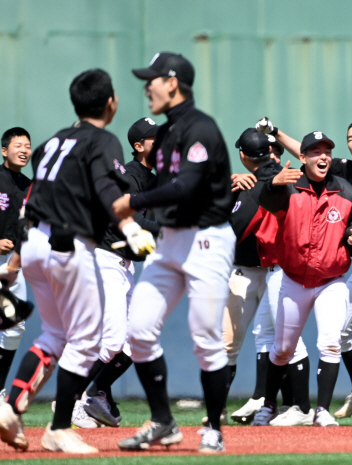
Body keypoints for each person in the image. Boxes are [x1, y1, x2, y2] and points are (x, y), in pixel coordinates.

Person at [0, 69, 152, 453]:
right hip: (68, 245)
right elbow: (106, 188)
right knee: (87, 339)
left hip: (34, 240)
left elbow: (32, 200)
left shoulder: (51, 143)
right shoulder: (103, 141)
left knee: (54, 335)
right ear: (111, 103)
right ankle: (58, 426)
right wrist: (130, 226)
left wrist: (16, 260)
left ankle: (10, 407)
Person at [114, 52, 235, 453]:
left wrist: (133, 201)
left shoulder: (201, 128)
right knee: (138, 330)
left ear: (173, 82)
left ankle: (214, 429)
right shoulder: (166, 133)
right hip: (170, 241)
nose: (146, 86)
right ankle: (163, 421)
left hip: (207, 240)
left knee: (206, 339)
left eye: (152, 79)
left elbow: (186, 186)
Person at [255, 118, 352, 419]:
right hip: (294, 279)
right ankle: (268, 404)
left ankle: (322, 410)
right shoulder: (288, 188)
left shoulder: (346, 190)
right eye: (315, 151)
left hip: (331, 280)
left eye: (327, 151)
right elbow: (265, 200)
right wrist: (271, 183)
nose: (323, 156)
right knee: (283, 349)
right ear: (303, 157)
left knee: (330, 343)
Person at [73, 117, 161, 429]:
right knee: (111, 340)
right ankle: (73, 399)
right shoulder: (127, 174)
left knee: (135, 339)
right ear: (139, 146)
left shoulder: (153, 176)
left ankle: (98, 392)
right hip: (106, 260)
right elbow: (127, 217)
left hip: (125, 265)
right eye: (154, 138)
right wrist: (167, 228)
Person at [219, 128, 311, 427]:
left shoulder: (281, 181)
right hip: (249, 269)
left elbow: (232, 225)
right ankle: (269, 403)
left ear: (243, 155)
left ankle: (300, 407)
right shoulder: (252, 182)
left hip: (279, 268)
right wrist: (232, 186)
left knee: (283, 341)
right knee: (265, 338)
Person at [0, 127, 32, 393]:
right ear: (4, 150)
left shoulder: (29, 187)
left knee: (14, 326)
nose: (24, 150)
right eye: (18, 145)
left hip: (15, 262)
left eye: (27, 146)